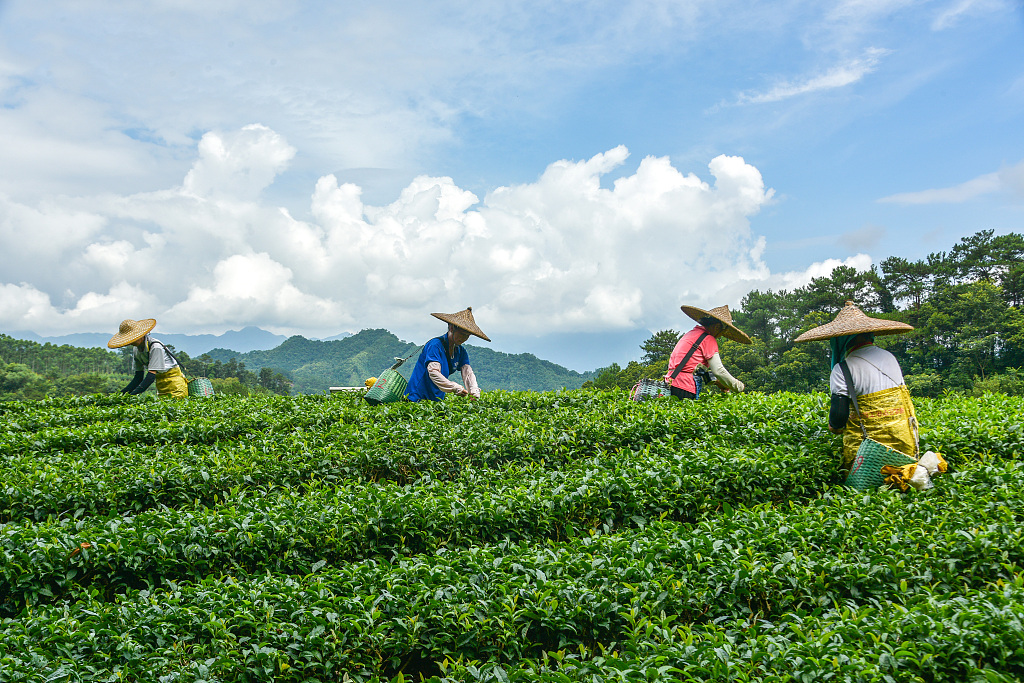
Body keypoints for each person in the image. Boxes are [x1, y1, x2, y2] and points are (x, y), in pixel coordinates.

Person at [793, 300, 918, 468]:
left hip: (869, 454)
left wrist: (834, 427)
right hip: (903, 443)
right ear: (870, 334)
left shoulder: (843, 368)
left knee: (864, 491)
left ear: (841, 340)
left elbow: (838, 417)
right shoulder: (890, 357)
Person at [405, 307, 489, 402]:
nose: (463, 338)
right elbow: (433, 372)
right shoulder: (435, 345)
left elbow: (468, 373)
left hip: (436, 398)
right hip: (417, 396)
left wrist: (474, 391)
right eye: (461, 334)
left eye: (467, 336)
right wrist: (454, 387)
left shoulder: (460, 351)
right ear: (452, 328)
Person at [665, 304, 749, 399]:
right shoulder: (708, 339)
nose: (721, 335)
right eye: (723, 331)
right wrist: (738, 386)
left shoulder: (691, 334)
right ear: (717, 326)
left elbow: (693, 368)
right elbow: (718, 370)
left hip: (671, 383)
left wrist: (718, 382)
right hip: (686, 387)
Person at [107, 318, 188, 399]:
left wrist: (131, 396)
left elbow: (150, 377)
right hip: (160, 384)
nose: (131, 342)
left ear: (141, 335)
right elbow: (138, 377)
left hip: (175, 385)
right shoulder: (136, 349)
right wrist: (121, 395)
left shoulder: (155, 347)